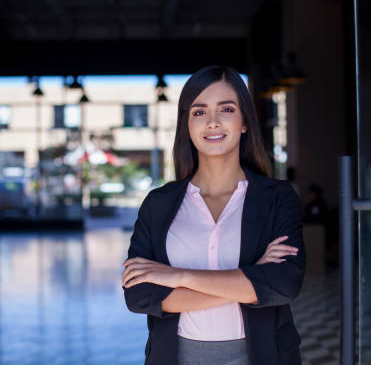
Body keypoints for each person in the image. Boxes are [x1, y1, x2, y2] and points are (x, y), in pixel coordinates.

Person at [121, 65, 305, 365]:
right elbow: (139, 294)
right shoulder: (159, 204)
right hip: (177, 357)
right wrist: (252, 278)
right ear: (187, 125)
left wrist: (177, 277)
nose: (213, 122)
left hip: (263, 355)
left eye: (227, 109)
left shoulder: (277, 197)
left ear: (244, 121)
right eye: (199, 111)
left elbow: (283, 284)